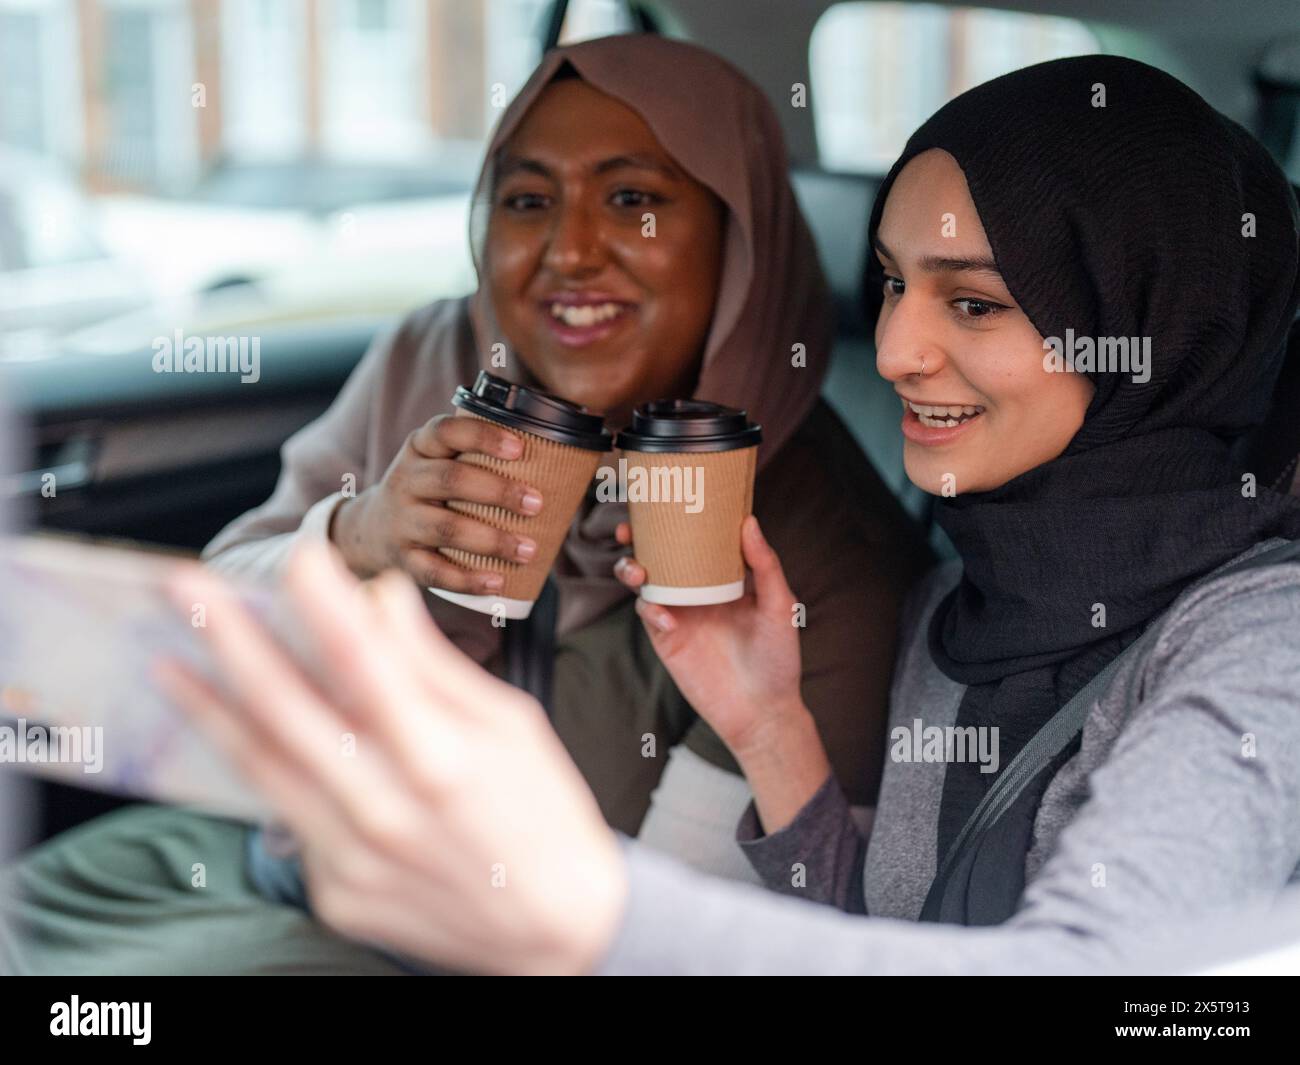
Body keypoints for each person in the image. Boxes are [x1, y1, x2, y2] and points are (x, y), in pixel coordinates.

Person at [157, 54, 1300, 975]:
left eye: (975, 301)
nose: (895, 349)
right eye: (894, 283)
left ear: (1155, 327)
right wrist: (771, 731)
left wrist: (590, 909)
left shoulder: (1263, 650)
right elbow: (875, 938)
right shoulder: (969, 594)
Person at [0, 35, 927, 975]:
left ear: (741, 238)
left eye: (633, 199)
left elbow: (652, 937)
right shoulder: (435, 358)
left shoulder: (821, 558)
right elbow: (213, 618)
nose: (567, 250)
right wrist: (359, 537)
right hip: (256, 852)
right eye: (528, 201)